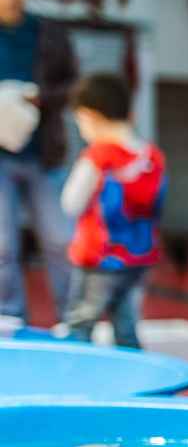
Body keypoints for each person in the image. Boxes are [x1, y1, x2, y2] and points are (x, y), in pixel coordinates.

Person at [59, 74, 165, 350]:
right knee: (126, 326)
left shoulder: (99, 156)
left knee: (80, 325)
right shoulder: (151, 157)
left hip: (98, 259)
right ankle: (133, 382)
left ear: (90, 116)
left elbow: (71, 203)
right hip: (138, 258)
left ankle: (71, 383)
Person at [0, 0, 77, 324]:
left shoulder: (49, 33)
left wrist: (39, 98)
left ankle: (73, 320)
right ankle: (10, 321)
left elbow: (73, 85)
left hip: (44, 154)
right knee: (2, 247)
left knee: (61, 240)